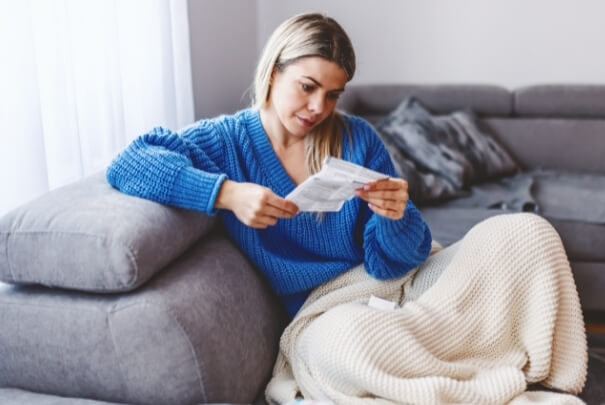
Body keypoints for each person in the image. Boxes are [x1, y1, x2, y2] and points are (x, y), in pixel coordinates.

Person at [106, 12, 432, 318]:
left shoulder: (357, 139)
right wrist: (227, 194)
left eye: (333, 95)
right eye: (308, 87)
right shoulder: (226, 142)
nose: (319, 107)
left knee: (485, 243)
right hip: (325, 311)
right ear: (274, 72)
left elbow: (395, 263)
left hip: (382, 286)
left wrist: (394, 216)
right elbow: (130, 162)